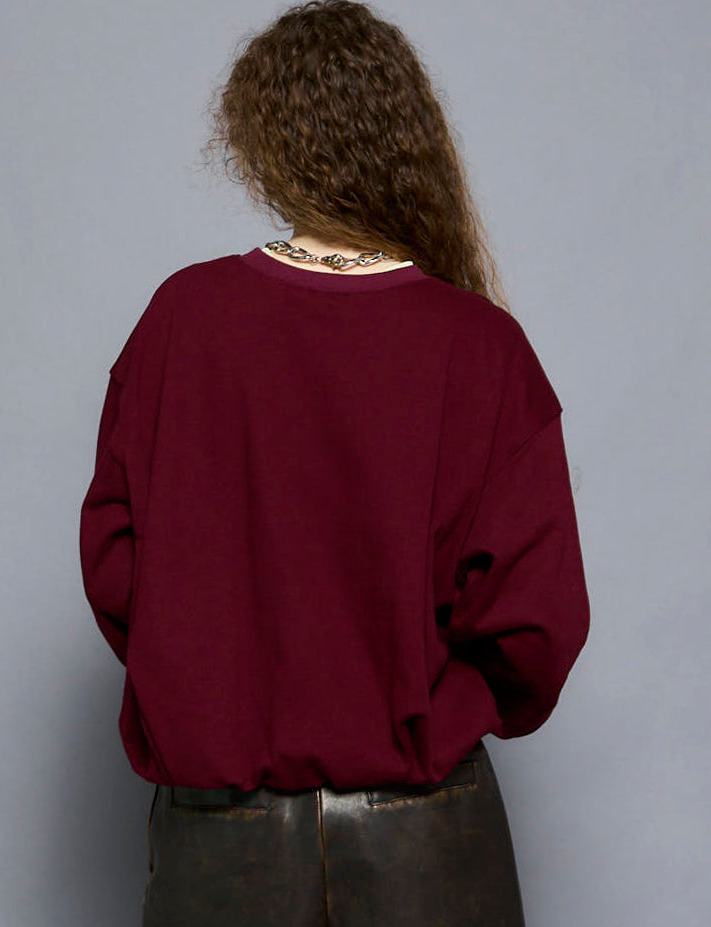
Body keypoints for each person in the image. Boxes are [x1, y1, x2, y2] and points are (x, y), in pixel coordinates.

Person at [78, 2, 590, 925]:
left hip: (220, 841)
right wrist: (426, 709)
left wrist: (210, 682)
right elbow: (533, 621)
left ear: (257, 143)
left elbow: (119, 571)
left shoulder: (180, 323)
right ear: (408, 139)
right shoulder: (479, 345)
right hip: (425, 836)